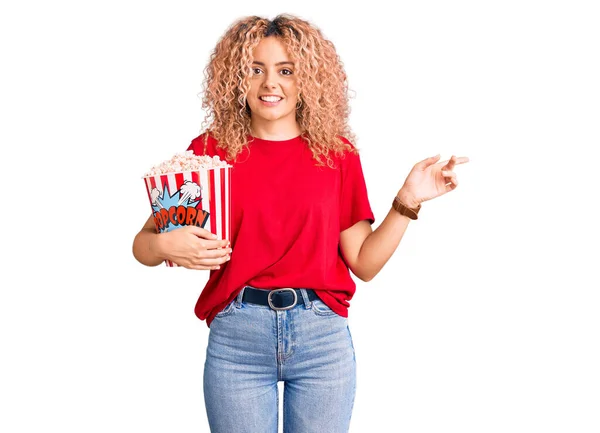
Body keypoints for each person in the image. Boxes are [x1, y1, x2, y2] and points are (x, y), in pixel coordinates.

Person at [132, 13, 468, 433]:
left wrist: (408, 201)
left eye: (286, 71)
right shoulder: (208, 152)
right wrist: (164, 246)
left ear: (306, 79)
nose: (270, 84)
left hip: (321, 339)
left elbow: (363, 262)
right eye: (256, 70)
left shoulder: (337, 155)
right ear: (236, 79)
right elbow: (144, 243)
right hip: (237, 337)